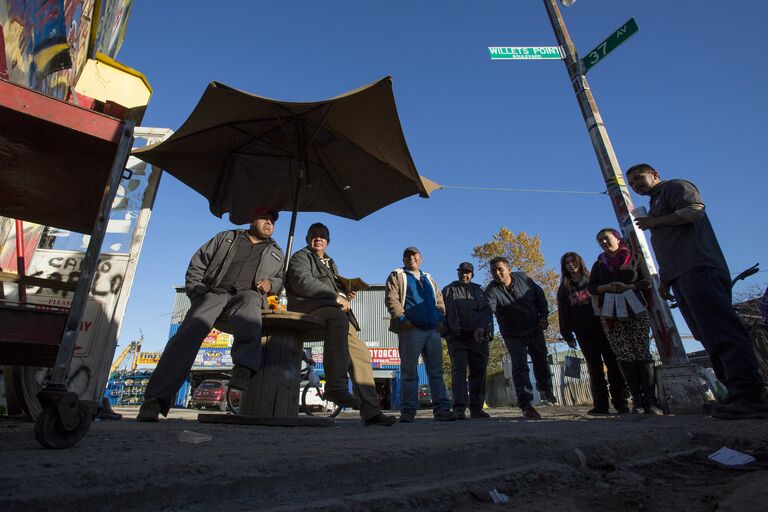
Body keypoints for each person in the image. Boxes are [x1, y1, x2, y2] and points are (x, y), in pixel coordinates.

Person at [627, 163, 767, 419]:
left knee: (722, 331)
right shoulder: (656, 204)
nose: (636, 184)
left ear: (655, 174)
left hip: (699, 267)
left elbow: (694, 212)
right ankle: (735, 394)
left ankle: (750, 395)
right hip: (681, 276)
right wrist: (666, 279)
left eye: (640, 178)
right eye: (632, 182)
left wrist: (655, 222)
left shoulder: (675, 187)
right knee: (707, 336)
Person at [138, 207, 284, 422]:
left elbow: (280, 280)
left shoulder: (277, 253)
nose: (269, 223)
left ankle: (243, 368)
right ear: (252, 220)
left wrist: (272, 283)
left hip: (246, 297)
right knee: (187, 335)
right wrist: (196, 291)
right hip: (214, 293)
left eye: (272, 220)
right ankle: (155, 400)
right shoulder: (227, 238)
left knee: (251, 308)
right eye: (265, 218)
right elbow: (198, 263)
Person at [286, 223, 396, 426]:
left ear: (328, 241)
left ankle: (372, 412)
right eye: (314, 235)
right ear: (307, 238)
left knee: (361, 353)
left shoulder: (330, 263)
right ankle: (336, 387)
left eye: (322, 236)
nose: (318, 239)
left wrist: (346, 294)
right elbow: (302, 281)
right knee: (337, 319)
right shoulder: (301, 257)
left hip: (333, 311)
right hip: (307, 308)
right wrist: (335, 296)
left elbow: (335, 292)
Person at [588, 228, 663, 415]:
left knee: (641, 351)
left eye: (606, 238)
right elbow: (592, 287)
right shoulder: (599, 265)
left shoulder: (634, 257)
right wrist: (607, 287)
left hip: (635, 307)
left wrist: (629, 286)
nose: (604, 243)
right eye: (600, 241)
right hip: (611, 312)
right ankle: (637, 401)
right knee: (624, 353)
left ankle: (651, 400)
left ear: (617, 238)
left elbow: (647, 280)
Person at [385, 247, 457, 423]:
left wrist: (440, 319)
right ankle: (408, 411)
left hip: (432, 330)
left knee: (436, 372)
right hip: (411, 330)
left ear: (421, 258)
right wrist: (402, 318)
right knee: (409, 372)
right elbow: (391, 298)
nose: (411, 258)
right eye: (407, 255)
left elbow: (439, 301)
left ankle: (442, 410)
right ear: (403, 259)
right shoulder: (398, 275)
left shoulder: (429, 278)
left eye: (414, 255)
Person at [558, 252, 629, 415]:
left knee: (613, 364)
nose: (571, 265)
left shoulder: (593, 280)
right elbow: (564, 313)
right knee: (594, 368)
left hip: (604, 327)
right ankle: (601, 405)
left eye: (573, 261)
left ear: (579, 262)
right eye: (567, 263)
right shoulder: (565, 289)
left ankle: (621, 402)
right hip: (584, 332)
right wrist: (567, 333)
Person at [485, 257, 556, 420]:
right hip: (512, 334)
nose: (497, 273)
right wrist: (486, 329)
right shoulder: (491, 290)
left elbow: (540, 296)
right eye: (493, 271)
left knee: (540, 359)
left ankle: (545, 388)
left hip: (534, 327)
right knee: (519, 365)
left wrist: (543, 316)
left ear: (509, 269)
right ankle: (526, 405)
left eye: (500, 269)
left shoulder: (524, 278)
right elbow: (487, 311)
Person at [442, 262, 494, 419]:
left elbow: (487, 312)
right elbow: (440, 311)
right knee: (459, 371)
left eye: (468, 272)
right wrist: (446, 332)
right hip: (457, 338)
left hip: (478, 338)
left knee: (479, 372)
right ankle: (459, 408)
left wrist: (484, 329)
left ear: (472, 275)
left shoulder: (479, 291)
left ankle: (476, 408)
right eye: (462, 272)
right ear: (458, 273)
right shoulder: (448, 290)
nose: (465, 274)